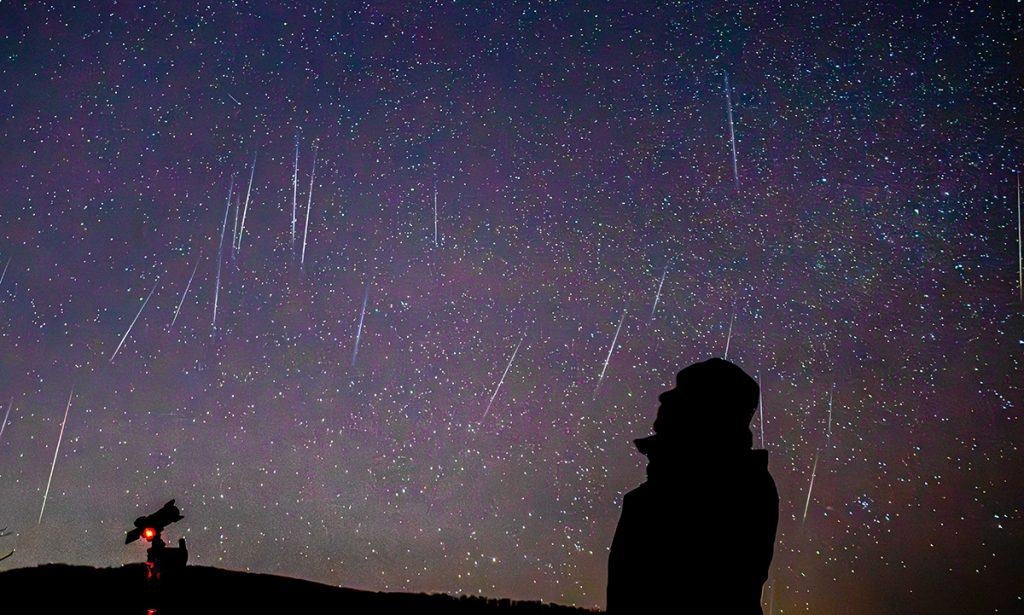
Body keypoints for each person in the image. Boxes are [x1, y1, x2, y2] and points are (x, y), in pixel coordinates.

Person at [607, 358, 779, 613]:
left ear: (711, 409)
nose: (665, 396)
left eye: (682, 392)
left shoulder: (733, 489)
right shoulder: (660, 491)